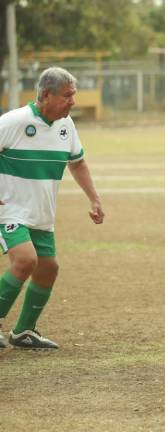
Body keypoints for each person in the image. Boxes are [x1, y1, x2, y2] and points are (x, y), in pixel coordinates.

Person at [0, 67, 104, 350]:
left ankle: (23, 332)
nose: (73, 101)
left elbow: (78, 163)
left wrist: (94, 198)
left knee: (48, 269)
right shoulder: (14, 122)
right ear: (46, 94)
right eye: (67, 95)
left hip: (41, 214)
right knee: (25, 261)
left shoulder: (65, 126)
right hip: (9, 210)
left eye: (74, 95)